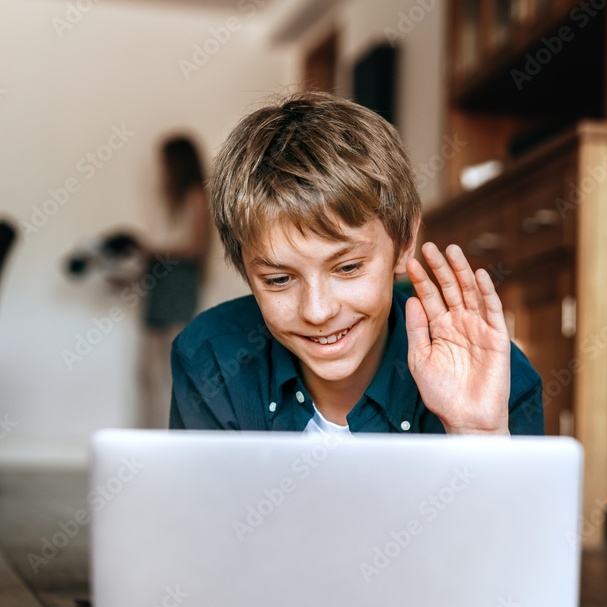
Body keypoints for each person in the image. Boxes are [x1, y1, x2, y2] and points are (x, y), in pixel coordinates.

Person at [169, 93, 543, 435]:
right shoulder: (213, 360)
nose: (317, 312)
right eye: (279, 279)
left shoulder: (487, 372)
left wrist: (478, 433)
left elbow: (525, 510)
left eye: (348, 268)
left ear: (404, 242)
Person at [140, 135, 211, 428]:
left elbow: (194, 247)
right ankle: (156, 434)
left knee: (171, 369)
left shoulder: (196, 196)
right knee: (150, 372)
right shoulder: (174, 201)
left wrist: (151, 249)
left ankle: (176, 437)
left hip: (178, 285)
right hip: (160, 286)